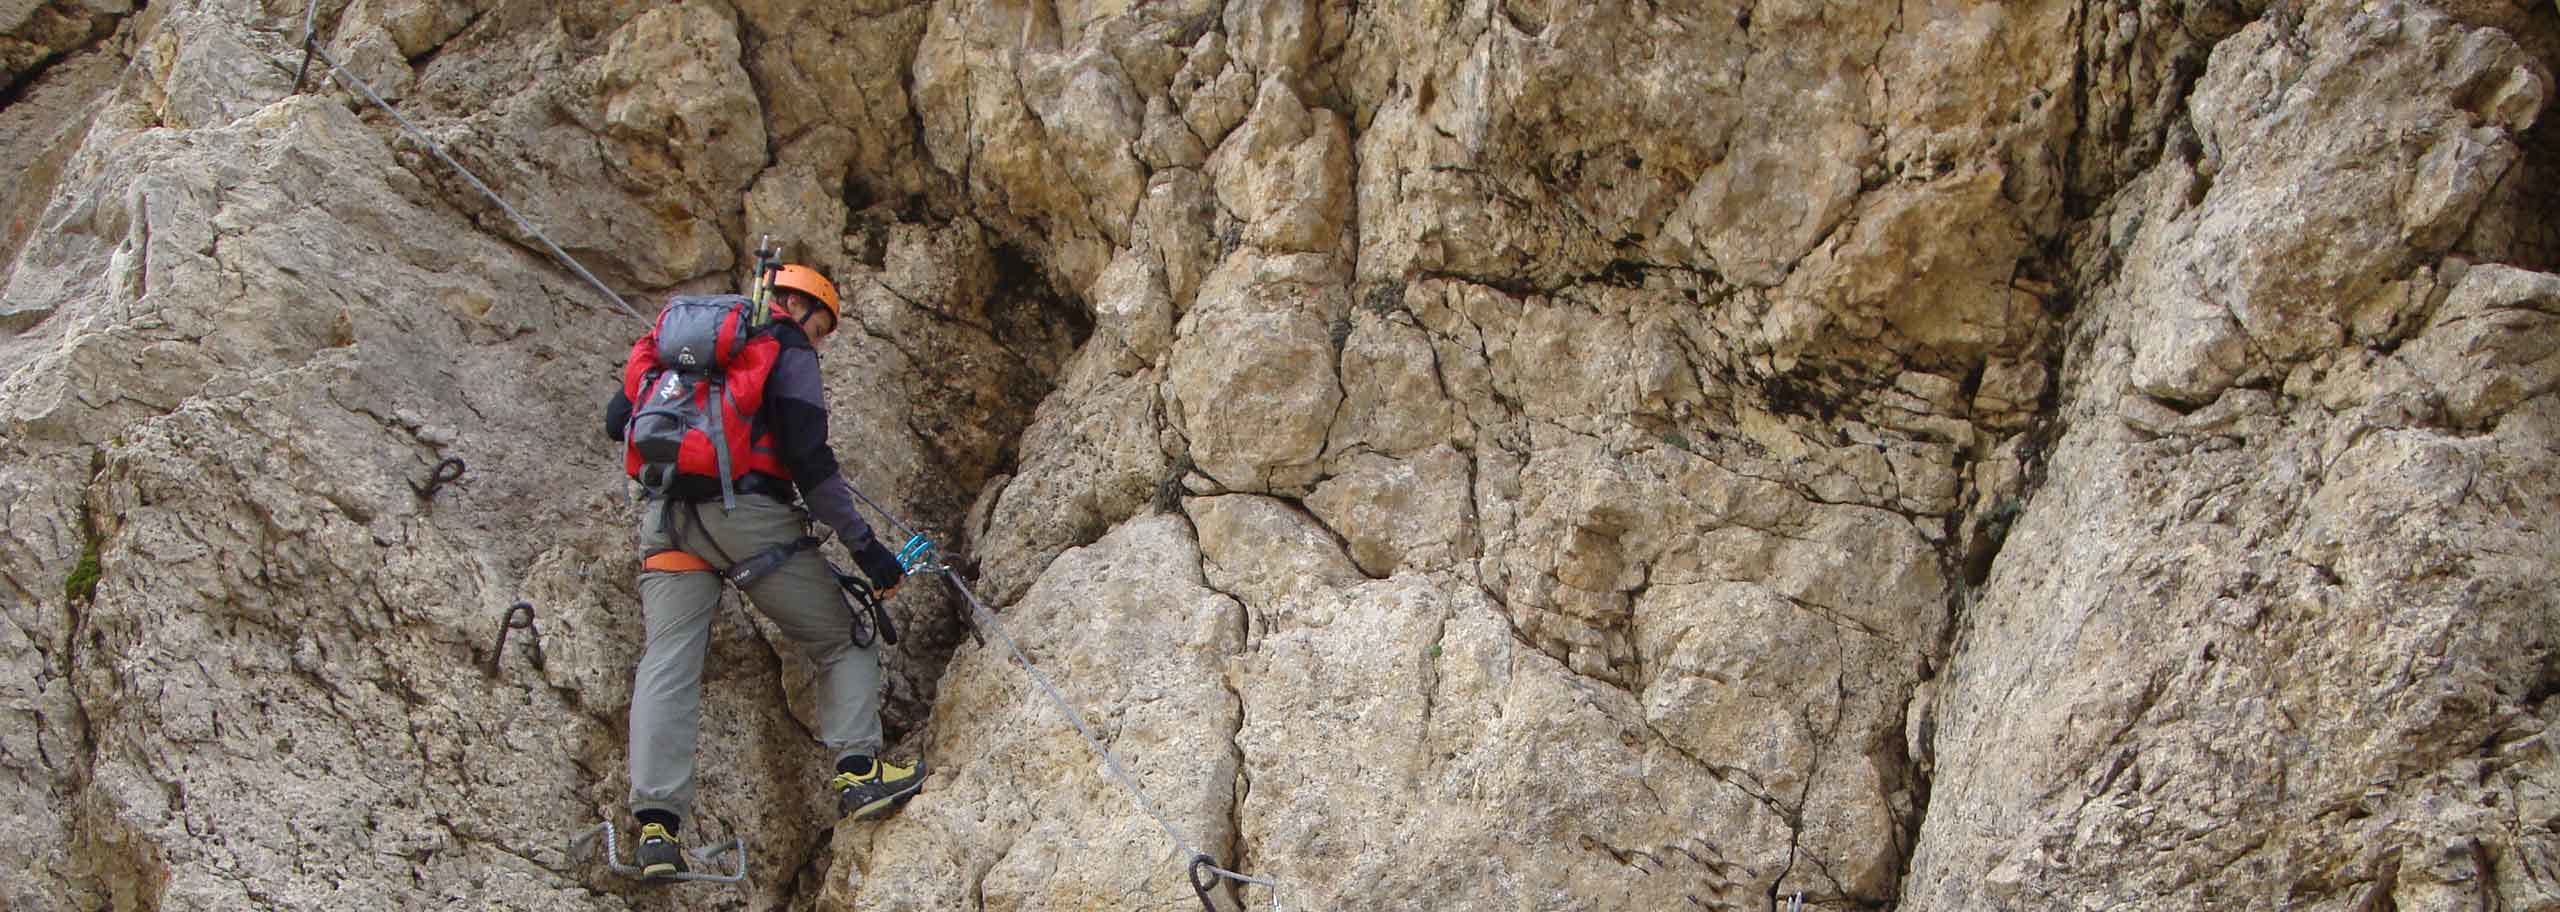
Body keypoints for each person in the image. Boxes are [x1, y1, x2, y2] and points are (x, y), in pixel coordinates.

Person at [603, 263, 927, 878]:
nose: (821, 339)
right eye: (824, 326)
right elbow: (810, 459)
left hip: (667, 518)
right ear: (804, 309)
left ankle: (656, 830)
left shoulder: (680, 343)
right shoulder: (786, 345)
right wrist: (866, 549)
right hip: (746, 521)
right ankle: (859, 773)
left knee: (668, 662)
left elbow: (618, 422)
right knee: (844, 638)